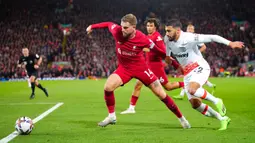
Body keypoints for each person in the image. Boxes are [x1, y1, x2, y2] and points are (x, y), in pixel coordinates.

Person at [86, 14, 190, 128]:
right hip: (124, 68)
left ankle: (182, 119)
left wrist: (175, 64)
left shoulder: (142, 39)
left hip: (141, 69)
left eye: (126, 27)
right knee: (108, 87)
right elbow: (108, 24)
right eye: (122, 26)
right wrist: (92, 26)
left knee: (162, 94)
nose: (122, 29)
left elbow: (158, 51)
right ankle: (111, 116)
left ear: (134, 27)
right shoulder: (117, 31)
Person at [164, 19, 244, 130]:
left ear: (177, 31)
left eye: (169, 31)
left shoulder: (189, 37)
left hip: (199, 66)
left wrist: (230, 43)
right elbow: (168, 55)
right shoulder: (167, 39)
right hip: (187, 73)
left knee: (193, 90)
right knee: (195, 104)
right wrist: (169, 60)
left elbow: (213, 37)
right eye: (166, 31)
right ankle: (222, 119)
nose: (167, 33)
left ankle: (217, 101)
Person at [120, 18, 184, 114]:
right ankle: (131, 108)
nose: (149, 28)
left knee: (168, 87)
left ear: (156, 27)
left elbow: (163, 52)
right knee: (138, 85)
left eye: (151, 26)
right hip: (147, 66)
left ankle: (185, 85)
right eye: (148, 26)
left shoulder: (157, 37)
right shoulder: (146, 37)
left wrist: (147, 49)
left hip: (156, 66)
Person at [174, 24, 216, 100]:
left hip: (197, 62)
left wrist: (196, 53)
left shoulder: (195, 37)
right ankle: (183, 94)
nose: (189, 30)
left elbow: (204, 46)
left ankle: (187, 94)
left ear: (193, 31)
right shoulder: (184, 38)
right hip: (189, 62)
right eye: (188, 28)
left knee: (191, 78)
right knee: (188, 77)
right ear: (186, 30)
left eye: (191, 29)